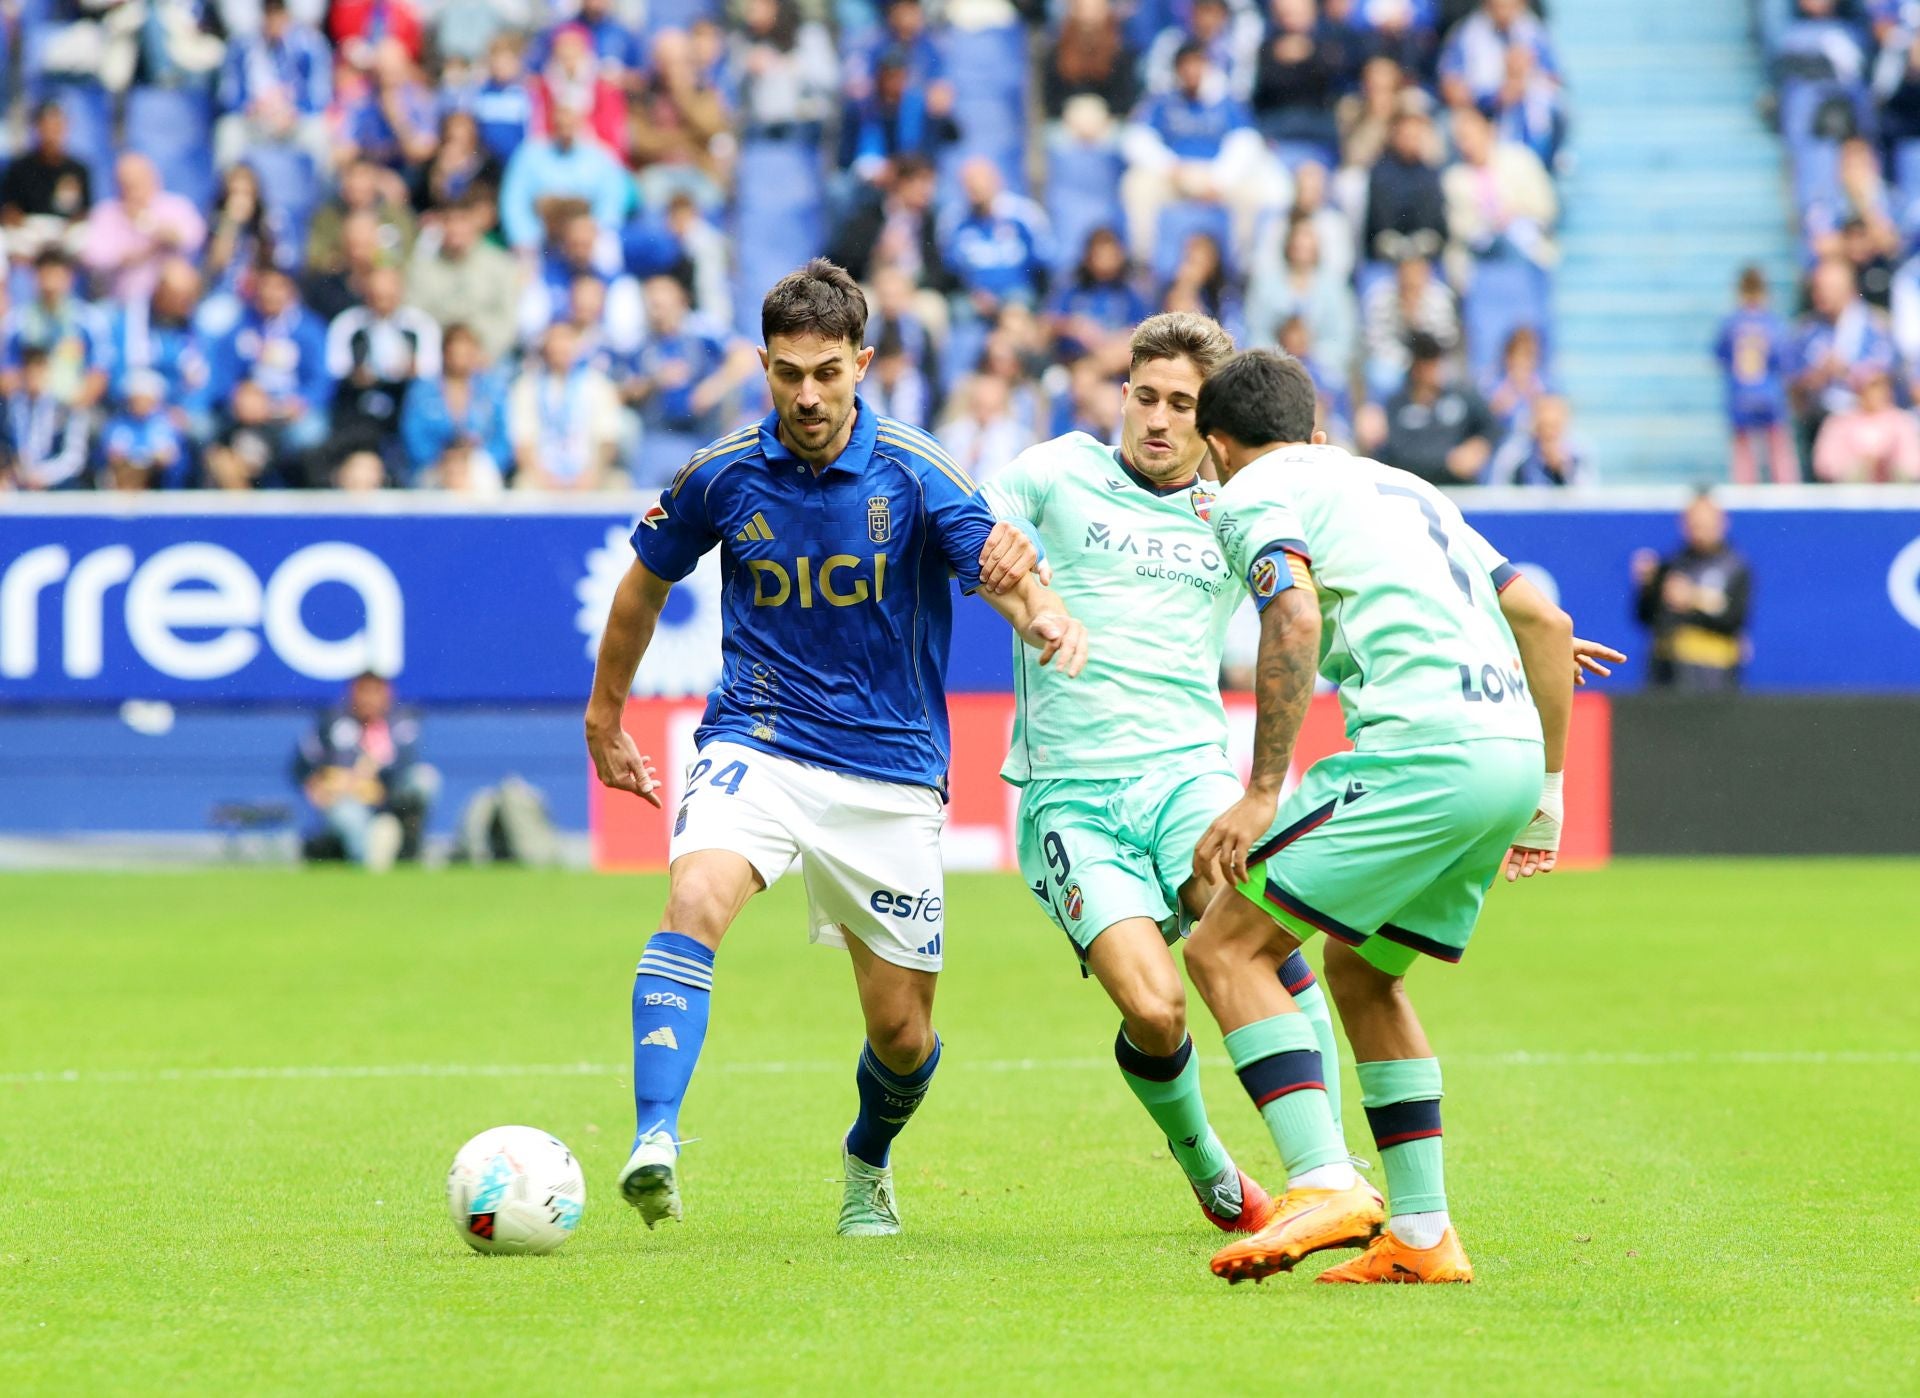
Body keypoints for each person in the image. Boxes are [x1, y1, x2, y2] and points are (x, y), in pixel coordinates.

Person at [582, 259, 1086, 1239]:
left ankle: (868, 1158)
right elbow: (643, 583)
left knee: (902, 1035)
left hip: (890, 769)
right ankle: (654, 1138)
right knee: (694, 900)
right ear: (763, 366)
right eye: (787, 374)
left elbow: (1002, 570)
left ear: (863, 362)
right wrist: (605, 716)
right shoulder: (720, 473)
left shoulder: (917, 470)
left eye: (825, 373)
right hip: (758, 739)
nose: (806, 396)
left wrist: (1045, 614)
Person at [1181, 348, 1577, 1285]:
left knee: (1223, 950)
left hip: (1422, 751)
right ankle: (1424, 1235)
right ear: (1315, 431)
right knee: (1362, 973)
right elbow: (1547, 627)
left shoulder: (1250, 489)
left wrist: (1263, 790)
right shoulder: (1400, 484)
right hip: (1509, 754)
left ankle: (1325, 1182)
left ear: (1218, 446)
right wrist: (1550, 795)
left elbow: (1293, 617)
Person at [982, 311, 1345, 1236]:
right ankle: (1206, 1161)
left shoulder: (1234, 509)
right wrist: (1027, 585)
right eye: (1144, 396)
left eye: (1182, 404)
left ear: (1209, 420)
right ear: (1123, 394)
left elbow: (1336, 596)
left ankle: (1333, 1174)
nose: (1157, 418)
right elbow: (975, 528)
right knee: (1155, 1009)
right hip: (1072, 795)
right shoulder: (1058, 470)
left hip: (1191, 780)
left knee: (1268, 944)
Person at [293, 671, 439, 872]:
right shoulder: (332, 722)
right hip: (349, 798)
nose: (369, 699)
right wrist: (318, 787)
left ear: (387, 694)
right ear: (352, 693)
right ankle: (369, 863)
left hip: (391, 800)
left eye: (375, 692)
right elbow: (303, 766)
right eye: (363, 691)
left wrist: (375, 784)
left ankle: (407, 845)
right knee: (349, 817)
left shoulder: (402, 723)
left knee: (424, 778)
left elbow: (403, 767)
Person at [1631, 492, 1752, 692]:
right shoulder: (1672, 564)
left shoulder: (1735, 567)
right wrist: (1647, 589)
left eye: (1705, 522)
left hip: (1714, 677)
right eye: (1693, 522)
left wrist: (1693, 599)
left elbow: (1734, 619)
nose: (1699, 529)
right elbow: (1646, 619)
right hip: (1668, 673)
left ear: (1722, 522)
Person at [1359, 332, 1494, 485]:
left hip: (1457, 485)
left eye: (1436, 361)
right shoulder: (1396, 405)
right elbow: (1397, 454)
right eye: (1426, 362)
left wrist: (1480, 445)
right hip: (1410, 486)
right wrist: (1446, 462)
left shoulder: (1461, 398)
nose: (1433, 369)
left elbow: (1491, 427)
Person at [80, 153, 209, 305]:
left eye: (138, 182)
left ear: (153, 179)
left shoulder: (176, 206)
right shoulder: (106, 213)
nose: (133, 190)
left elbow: (194, 238)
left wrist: (154, 227)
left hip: (169, 294)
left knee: (178, 275)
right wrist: (142, 253)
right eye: (126, 184)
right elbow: (94, 257)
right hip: (124, 297)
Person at [1715, 267, 1799, 485]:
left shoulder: (1731, 323)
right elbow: (1784, 360)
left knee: (1743, 446)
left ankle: (1744, 486)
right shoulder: (1773, 324)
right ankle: (1786, 485)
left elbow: (1720, 356)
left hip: (1740, 393)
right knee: (1777, 443)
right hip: (1769, 393)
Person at [0, 347, 91, 490]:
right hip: (17, 486)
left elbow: (75, 457)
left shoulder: (65, 407)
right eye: (28, 370)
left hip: (57, 488)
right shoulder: (9, 407)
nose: (33, 377)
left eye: (38, 369)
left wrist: (44, 475)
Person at [1812, 365, 1920, 481]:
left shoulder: (1902, 421)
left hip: (1893, 489)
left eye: (1884, 386)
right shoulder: (1839, 422)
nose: (1880, 393)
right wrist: (1860, 465)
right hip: (1850, 490)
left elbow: (1914, 465)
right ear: (1859, 389)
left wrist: (1889, 464)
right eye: (1873, 386)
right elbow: (1824, 465)